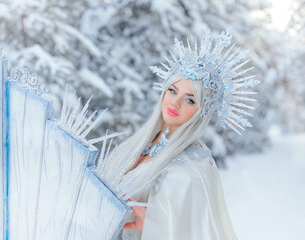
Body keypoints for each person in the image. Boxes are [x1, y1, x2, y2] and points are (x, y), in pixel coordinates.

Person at [96, 30, 259, 240]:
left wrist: (144, 222)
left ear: (202, 112)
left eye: (190, 100)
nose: (175, 102)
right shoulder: (141, 143)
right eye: (173, 91)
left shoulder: (190, 168)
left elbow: (180, 229)